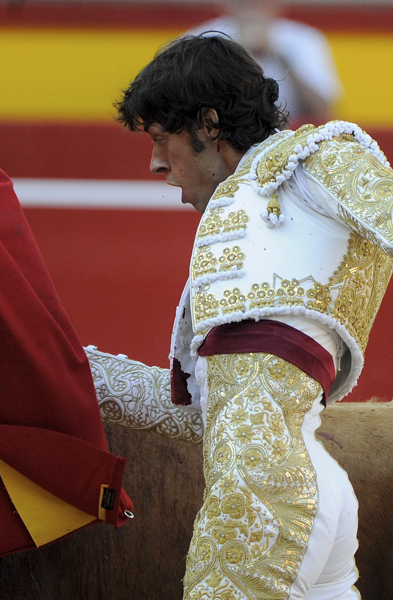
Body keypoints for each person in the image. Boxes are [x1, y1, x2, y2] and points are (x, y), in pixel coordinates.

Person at [88, 33, 393, 599]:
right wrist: (72, 367)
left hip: (261, 498)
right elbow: (206, 415)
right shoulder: (241, 242)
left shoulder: (315, 157)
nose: (156, 163)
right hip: (298, 480)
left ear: (209, 124)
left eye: (161, 138)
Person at [188, 0, 342, 125]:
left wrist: (278, 55)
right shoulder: (198, 39)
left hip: (290, 140)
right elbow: (188, 105)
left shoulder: (305, 39)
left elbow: (323, 111)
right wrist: (237, 56)